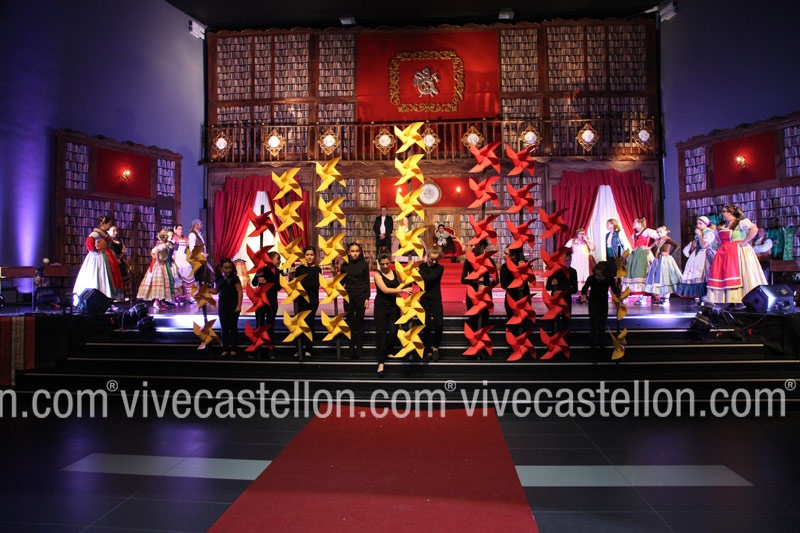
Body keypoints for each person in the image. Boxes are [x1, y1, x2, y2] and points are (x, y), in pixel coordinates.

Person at [706, 205, 767, 307]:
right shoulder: (722, 226)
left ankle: (741, 300)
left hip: (738, 252)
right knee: (725, 276)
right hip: (724, 253)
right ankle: (730, 300)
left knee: (740, 275)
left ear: (731, 213)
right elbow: (718, 239)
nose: (722, 214)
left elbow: (754, 229)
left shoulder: (741, 223)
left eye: (724, 211)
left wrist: (745, 241)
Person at [72, 215, 124, 305]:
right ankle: (94, 300)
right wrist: (95, 251)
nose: (109, 226)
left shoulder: (105, 234)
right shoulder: (96, 233)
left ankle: (107, 300)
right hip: (98, 257)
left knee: (108, 276)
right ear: (103, 224)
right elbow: (89, 243)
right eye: (109, 224)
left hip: (107, 256)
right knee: (98, 276)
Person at [579, 261, 621, 361]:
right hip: (593, 303)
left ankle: (602, 349)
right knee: (594, 326)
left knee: (602, 326)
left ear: (606, 275)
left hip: (603, 303)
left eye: (600, 276)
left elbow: (615, 291)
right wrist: (584, 295)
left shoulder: (609, 279)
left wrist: (618, 289)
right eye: (596, 275)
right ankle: (593, 350)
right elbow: (584, 289)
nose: (597, 277)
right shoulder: (591, 278)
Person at [461, 239, 497, 348]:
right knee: (472, 320)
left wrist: (486, 287)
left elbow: (496, 281)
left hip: (485, 294)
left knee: (484, 320)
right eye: (471, 245)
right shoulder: (469, 261)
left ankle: (483, 348)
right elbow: (463, 279)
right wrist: (474, 280)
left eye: (474, 245)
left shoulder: (489, 261)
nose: (472, 248)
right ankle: (474, 346)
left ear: (481, 246)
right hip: (472, 295)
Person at [372, 251, 404, 376]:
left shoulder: (395, 273)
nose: (385, 266)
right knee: (381, 334)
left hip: (394, 306)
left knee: (394, 330)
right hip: (381, 307)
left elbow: (404, 283)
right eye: (382, 264)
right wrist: (402, 289)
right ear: (379, 264)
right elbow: (385, 290)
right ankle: (381, 362)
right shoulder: (377, 275)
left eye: (387, 263)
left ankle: (389, 351)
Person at [205, 258, 242, 357]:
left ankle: (234, 349)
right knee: (224, 328)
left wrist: (239, 305)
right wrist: (205, 289)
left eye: (230, 267)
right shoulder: (218, 278)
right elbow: (216, 291)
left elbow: (239, 291)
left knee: (233, 328)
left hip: (233, 305)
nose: (228, 270)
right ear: (221, 268)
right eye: (226, 268)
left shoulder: (235, 278)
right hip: (223, 305)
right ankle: (225, 349)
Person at [339, 242, 370, 360]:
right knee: (350, 323)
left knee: (360, 323)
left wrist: (367, 297)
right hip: (348, 297)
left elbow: (367, 282)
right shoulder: (344, 266)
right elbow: (341, 282)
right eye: (352, 251)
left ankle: (359, 349)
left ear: (360, 252)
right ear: (348, 252)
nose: (355, 253)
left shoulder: (364, 265)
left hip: (361, 296)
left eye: (357, 251)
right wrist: (334, 277)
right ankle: (351, 349)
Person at [676, 216, 717, 298]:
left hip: (706, 254)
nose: (698, 225)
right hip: (698, 254)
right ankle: (701, 297)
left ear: (706, 224)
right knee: (696, 275)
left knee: (704, 274)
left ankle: (707, 296)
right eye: (697, 223)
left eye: (700, 223)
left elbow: (704, 245)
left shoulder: (709, 233)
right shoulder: (700, 233)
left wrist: (700, 235)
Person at [136, 229, 178, 309]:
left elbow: (153, 251)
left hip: (160, 265)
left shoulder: (161, 245)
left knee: (162, 283)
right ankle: (157, 302)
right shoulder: (163, 245)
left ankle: (159, 301)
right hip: (160, 266)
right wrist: (158, 260)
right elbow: (156, 252)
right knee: (160, 283)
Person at [252, 251, 281, 359]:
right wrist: (257, 275)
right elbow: (254, 283)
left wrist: (267, 283)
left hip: (271, 302)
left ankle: (270, 349)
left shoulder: (277, 272)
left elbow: (278, 287)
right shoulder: (262, 269)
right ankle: (257, 350)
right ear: (270, 259)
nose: (279, 261)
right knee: (259, 326)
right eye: (277, 259)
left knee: (270, 326)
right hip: (260, 302)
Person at [293, 246, 321, 358]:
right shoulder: (299, 270)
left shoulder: (317, 269)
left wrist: (301, 283)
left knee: (309, 324)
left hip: (312, 301)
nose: (309, 257)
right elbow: (294, 285)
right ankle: (298, 348)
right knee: (298, 324)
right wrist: (292, 278)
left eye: (311, 255)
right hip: (300, 300)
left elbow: (315, 285)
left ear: (314, 256)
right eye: (307, 254)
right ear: (303, 256)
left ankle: (308, 348)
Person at [643, 226, 682, 305]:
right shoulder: (658, 239)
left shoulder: (667, 239)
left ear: (666, 232)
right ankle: (662, 299)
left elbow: (676, 246)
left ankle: (666, 300)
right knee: (659, 278)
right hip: (658, 260)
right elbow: (653, 244)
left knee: (665, 279)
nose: (658, 233)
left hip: (665, 260)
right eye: (657, 232)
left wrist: (669, 253)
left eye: (660, 232)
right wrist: (648, 247)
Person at [624, 217, 659, 305]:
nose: (633, 224)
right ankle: (639, 296)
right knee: (635, 274)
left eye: (635, 222)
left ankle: (643, 297)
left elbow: (658, 237)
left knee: (643, 273)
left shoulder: (647, 231)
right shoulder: (635, 234)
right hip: (635, 255)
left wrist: (649, 247)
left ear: (640, 223)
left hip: (643, 254)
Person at [419, 245, 445, 360]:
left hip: (435, 298)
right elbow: (416, 282)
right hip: (424, 298)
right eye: (432, 259)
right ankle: (428, 350)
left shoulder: (440, 268)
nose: (434, 262)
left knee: (439, 324)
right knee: (427, 324)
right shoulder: (421, 266)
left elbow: (429, 279)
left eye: (436, 259)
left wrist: (419, 272)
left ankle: (435, 347)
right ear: (427, 256)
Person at [500, 247, 532, 337]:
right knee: (512, 326)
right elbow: (504, 284)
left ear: (513, 256)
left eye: (506, 254)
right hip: (511, 300)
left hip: (524, 298)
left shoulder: (524, 264)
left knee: (523, 325)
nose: (504, 256)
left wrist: (525, 269)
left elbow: (531, 279)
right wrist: (515, 287)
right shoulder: (504, 267)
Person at [546, 247, 579, 332]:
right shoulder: (554, 270)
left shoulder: (572, 272)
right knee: (554, 322)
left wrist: (562, 292)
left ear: (568, 257)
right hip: (555, 300)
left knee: (566, 322)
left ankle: (565, 338)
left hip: (566, 300)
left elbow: (574, 289)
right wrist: (551, 283)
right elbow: (548, 287)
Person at [107, 225, 132, 300]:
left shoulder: (119, 240)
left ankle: (125, 297)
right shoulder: (108, 242)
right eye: (113, 231)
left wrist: (122, 255)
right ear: (108, 231)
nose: (115, 232)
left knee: (124, 278)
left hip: (120, 262)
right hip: (112, 262)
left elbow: (122, 250)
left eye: (116, 231)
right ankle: (115, 297)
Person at [172, 223, 194, 301]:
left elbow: (187, 250)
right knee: (178, 275)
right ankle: (178, 296)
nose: (181, 230)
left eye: (181, 229)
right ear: (175, 230)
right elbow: (173, 251)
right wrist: (174, 261)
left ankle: (190, 296)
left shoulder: (185, 238)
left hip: (184, 257)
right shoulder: (173, 239)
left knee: (189, 272)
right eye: (179, 229)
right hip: (177, 257)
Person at [187, 218, 211, 284]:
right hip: (196, 259)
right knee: (197, 277)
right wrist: (202, 254)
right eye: (200, 224)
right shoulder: (192, 235)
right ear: (195, 225)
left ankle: (200, 288)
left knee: (201, 277)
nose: (202, 226)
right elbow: (192, 248)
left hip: (201, 259)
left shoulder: (198, 234)